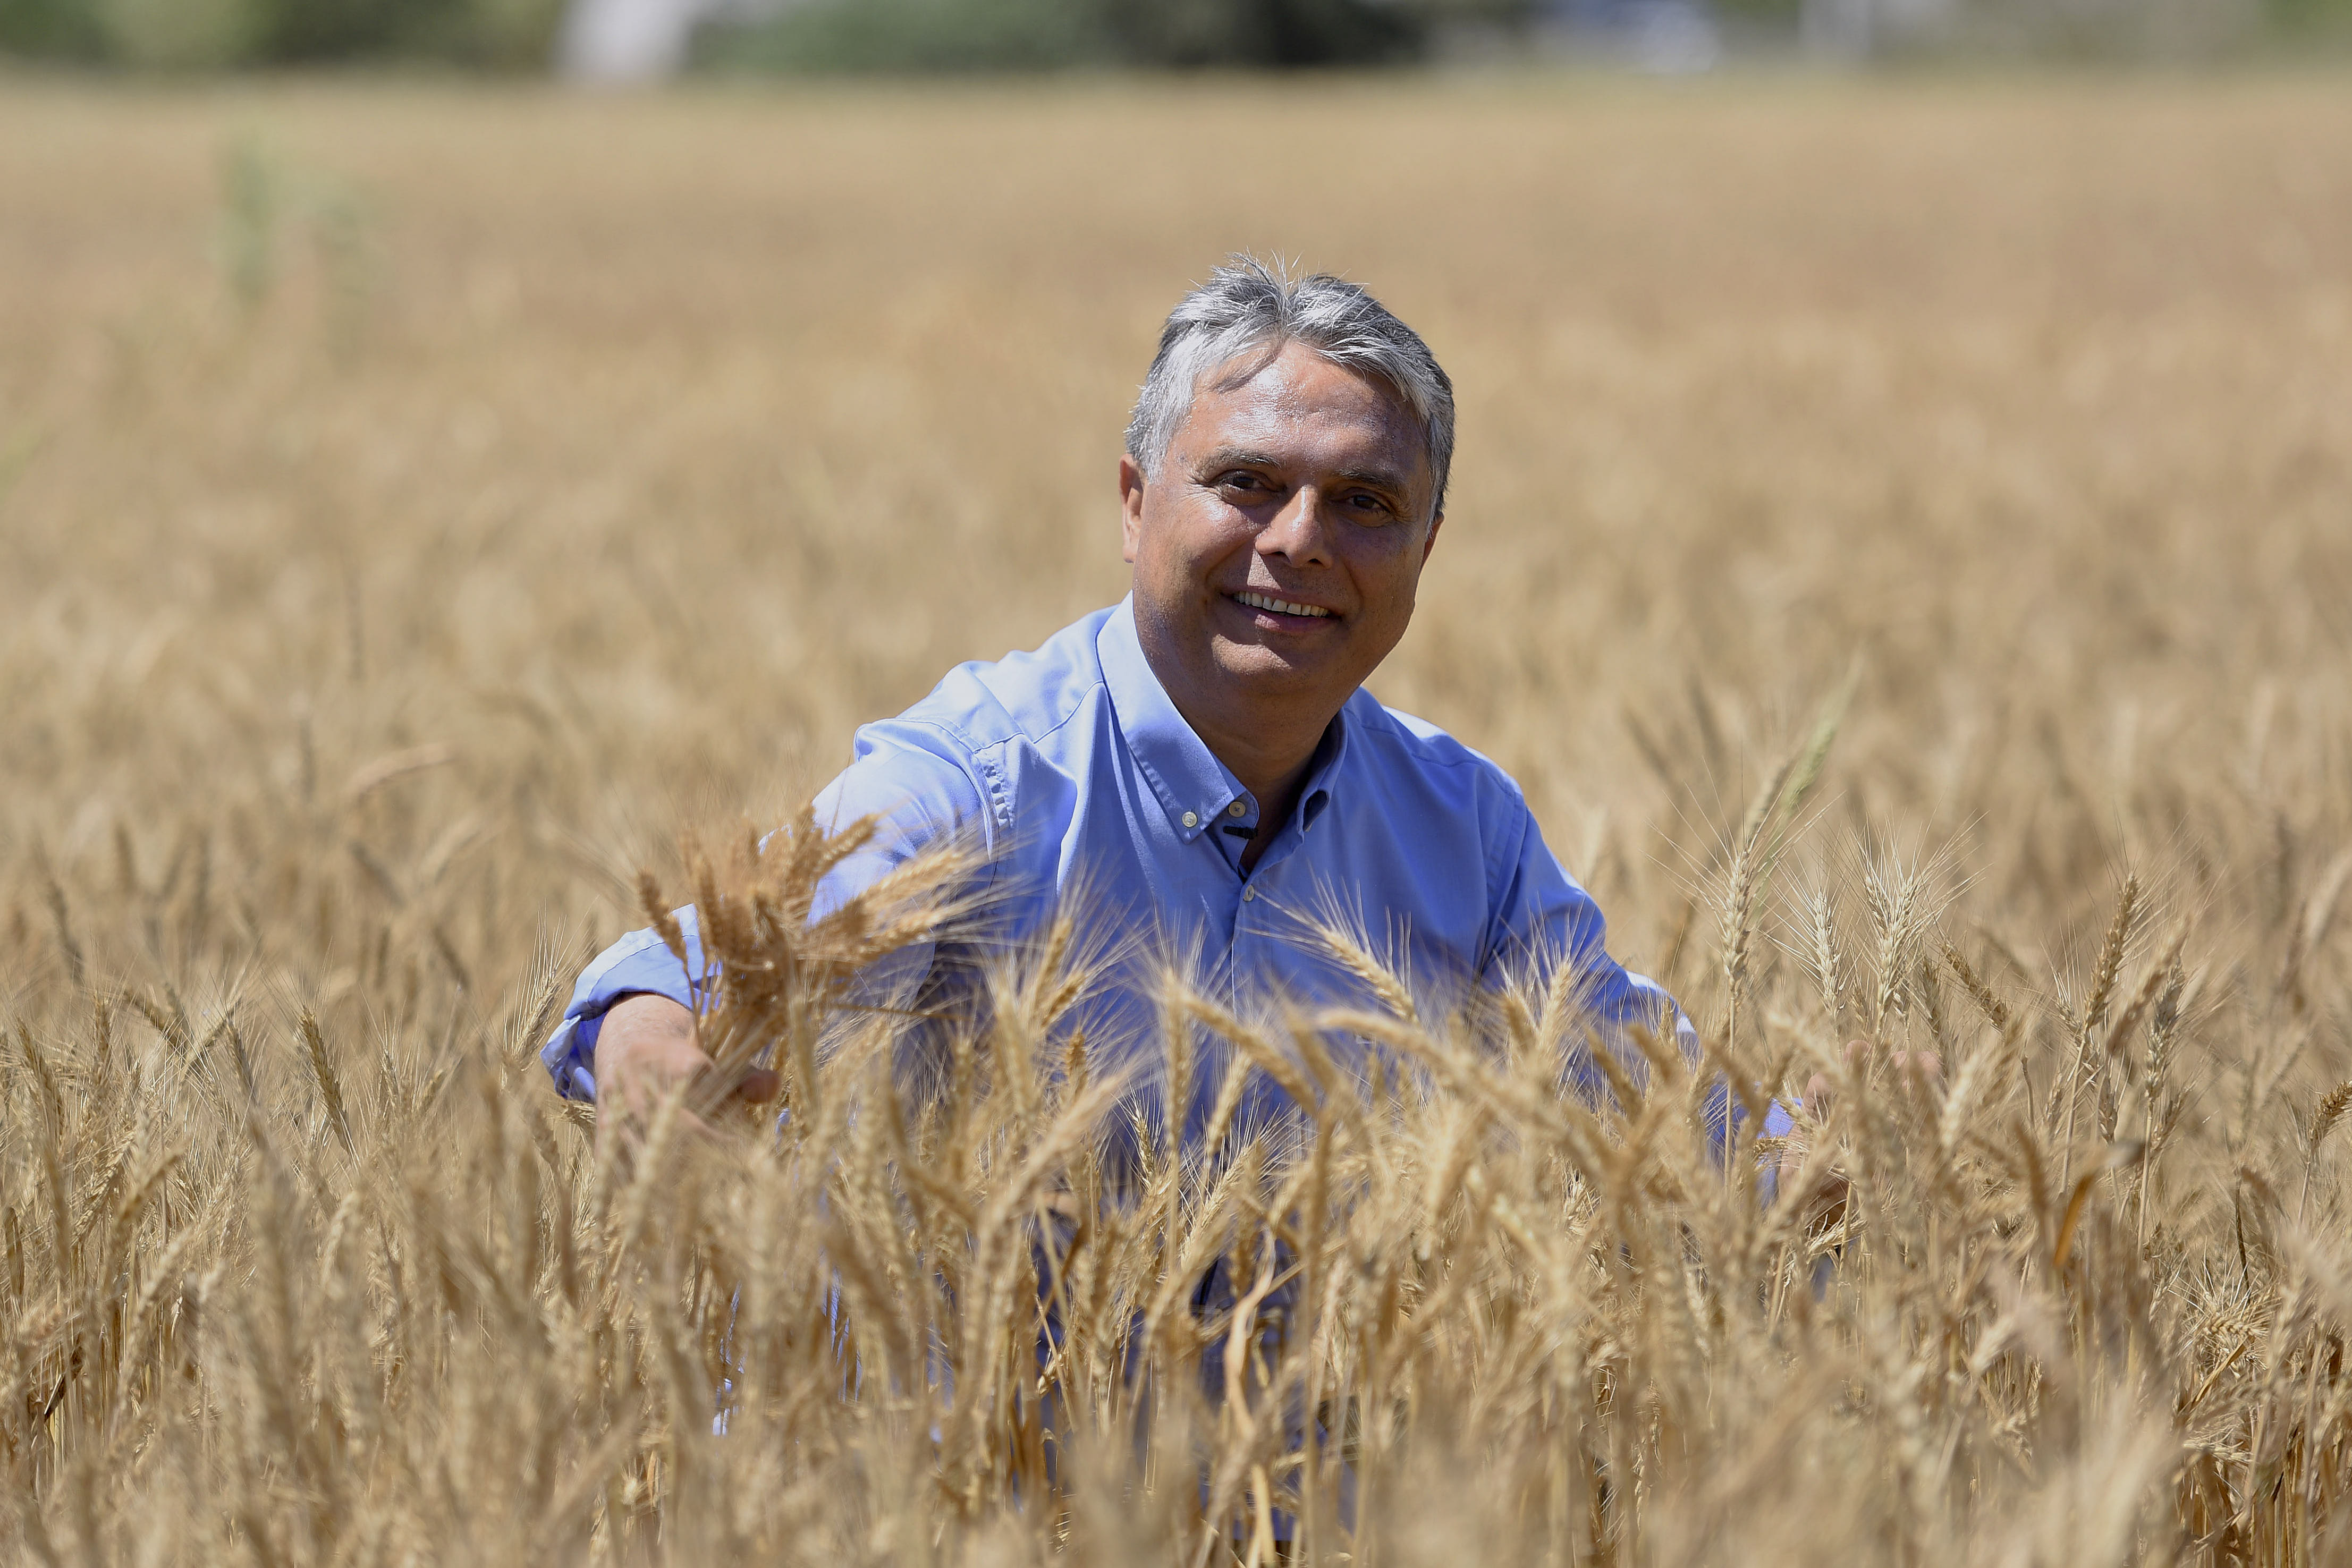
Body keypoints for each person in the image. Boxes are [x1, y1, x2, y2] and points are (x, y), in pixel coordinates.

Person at [542, 255, 1693, 1139]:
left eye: (1363, 504)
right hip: (956, 1453)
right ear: (1135, 503)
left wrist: (1822, 1157)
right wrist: (646, 1037)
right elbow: (705, 965)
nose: (1297, 542)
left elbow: (1659, 1102)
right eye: (1246, 484)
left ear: (1426, 548)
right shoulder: (980, 785)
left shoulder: (1463, 831)